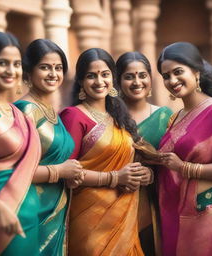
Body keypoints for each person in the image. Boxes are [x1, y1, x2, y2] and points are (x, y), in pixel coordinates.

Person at [60, 48, 159, 255]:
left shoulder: (118, 116)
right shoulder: (74, 116)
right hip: (89, 220)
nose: (99, 81)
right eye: (91, 76)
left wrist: (146, 174)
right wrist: (115, 177)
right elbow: (69, 173)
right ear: (81, 81)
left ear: (112, 78)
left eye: (105, 74)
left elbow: (135, 158)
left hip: (125, 216)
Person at [157, 42, 212, 256]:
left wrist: (186, 168)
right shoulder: (177, 117)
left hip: (209, 213)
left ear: (196, 72)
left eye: (178, 72)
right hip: (173, 213)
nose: (172, 80)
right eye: (166, 75)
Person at [15, 39, 83, 255]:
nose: (53, 74)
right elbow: (14, 171)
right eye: (45, 67)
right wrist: (59, 171)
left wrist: (70, 175)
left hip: (56, 206)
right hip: (31, 208)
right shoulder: (24, 111)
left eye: (58, 68)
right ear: (29, 72)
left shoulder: (53, 112)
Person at [0, 31, 41, 255]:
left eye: (16, 64)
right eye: (2, 63)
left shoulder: (18, 113)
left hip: (27, 218)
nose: (11, 70)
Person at [116, 51, 173, 256]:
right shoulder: (109, 118)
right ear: (118, 81)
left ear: (150, 78)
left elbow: (174, 165)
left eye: (142, 75)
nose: (137, 81)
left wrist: (153, 174)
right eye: (129, 76)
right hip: (112, 201)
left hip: (152, 205)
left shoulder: (166, 117)